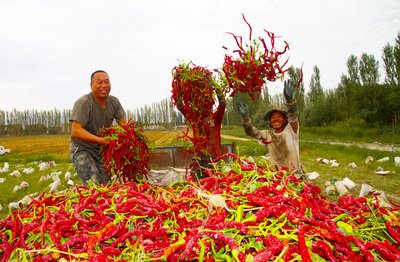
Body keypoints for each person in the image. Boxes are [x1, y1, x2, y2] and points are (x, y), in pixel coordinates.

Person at [70, 70, 126, 186]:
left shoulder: (113, 102)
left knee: (107, 184)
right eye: (99, 82)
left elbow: (124, 126)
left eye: (106, 82)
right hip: (82, 149)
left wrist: (128, 138)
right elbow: (75, 131)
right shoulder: (84, 103)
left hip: (100, 150)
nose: (104, 86)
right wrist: (101, 140)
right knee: (94, 184)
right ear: (91, 86)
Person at [236, 80, 302, 175]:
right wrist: (245, 118)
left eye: (279, 116)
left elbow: (293, 116)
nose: (276, 119)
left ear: (284, 119)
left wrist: (290, 100)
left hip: (294, 175)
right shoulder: (268, 134)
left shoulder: (291, 129)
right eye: (273, 117)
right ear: (270, 121)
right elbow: (252, 132)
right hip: (276, 176)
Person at [176, 88, 226, 180]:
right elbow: (180, 107)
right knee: (196, 184)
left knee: (216, 183)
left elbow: (222, 105)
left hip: (214, 157)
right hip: (199, 158)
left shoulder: (215, 117)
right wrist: (178, 91)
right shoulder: (195, 119)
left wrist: (216, 89)